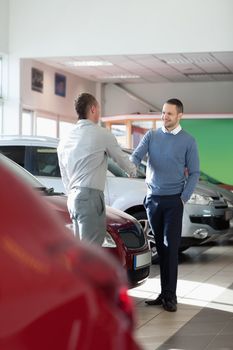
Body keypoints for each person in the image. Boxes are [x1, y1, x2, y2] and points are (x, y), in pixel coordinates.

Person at [130, 98, 200, 312]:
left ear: (179, 115)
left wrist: (183, 197)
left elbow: (194, 172)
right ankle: (163, 293)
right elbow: (135, 157)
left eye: (169, 113)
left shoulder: (188, 140)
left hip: (173, 201)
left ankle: (171, 296)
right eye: (163, 112)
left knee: (170, 248)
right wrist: (130, 165)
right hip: (153, 201)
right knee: (160, 248)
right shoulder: (151, 136)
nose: (164, 117)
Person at [57, 92, 136, 246]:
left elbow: (64, 173)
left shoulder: (66, 137)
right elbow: (121, 159)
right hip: (90, 198)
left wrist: (72, 193)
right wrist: (134, 171)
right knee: (92, 251)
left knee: (80, 249)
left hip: (72, 198)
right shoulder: (101, 134)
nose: (99, 112)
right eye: (98, 109)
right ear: (93, 109)